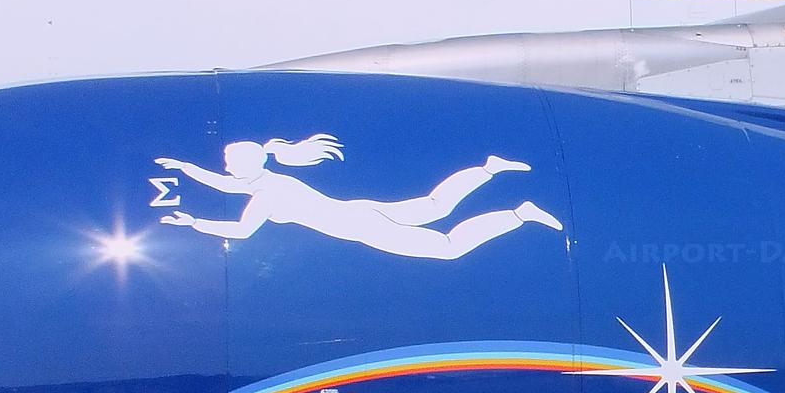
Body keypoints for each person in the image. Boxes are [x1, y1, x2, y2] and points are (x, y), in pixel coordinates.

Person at [154, 136, 562, 261]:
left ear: (244, 163)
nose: (224, 168)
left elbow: (242, 231)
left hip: (360, 226)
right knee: (436, 206)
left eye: (227, 161)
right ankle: (489, 168)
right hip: (358, 211)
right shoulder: (266, 177)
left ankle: (518, 214)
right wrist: (184, 167)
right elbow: (223, 185)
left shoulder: (265, 194)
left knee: (450, 248)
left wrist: (194, 223)